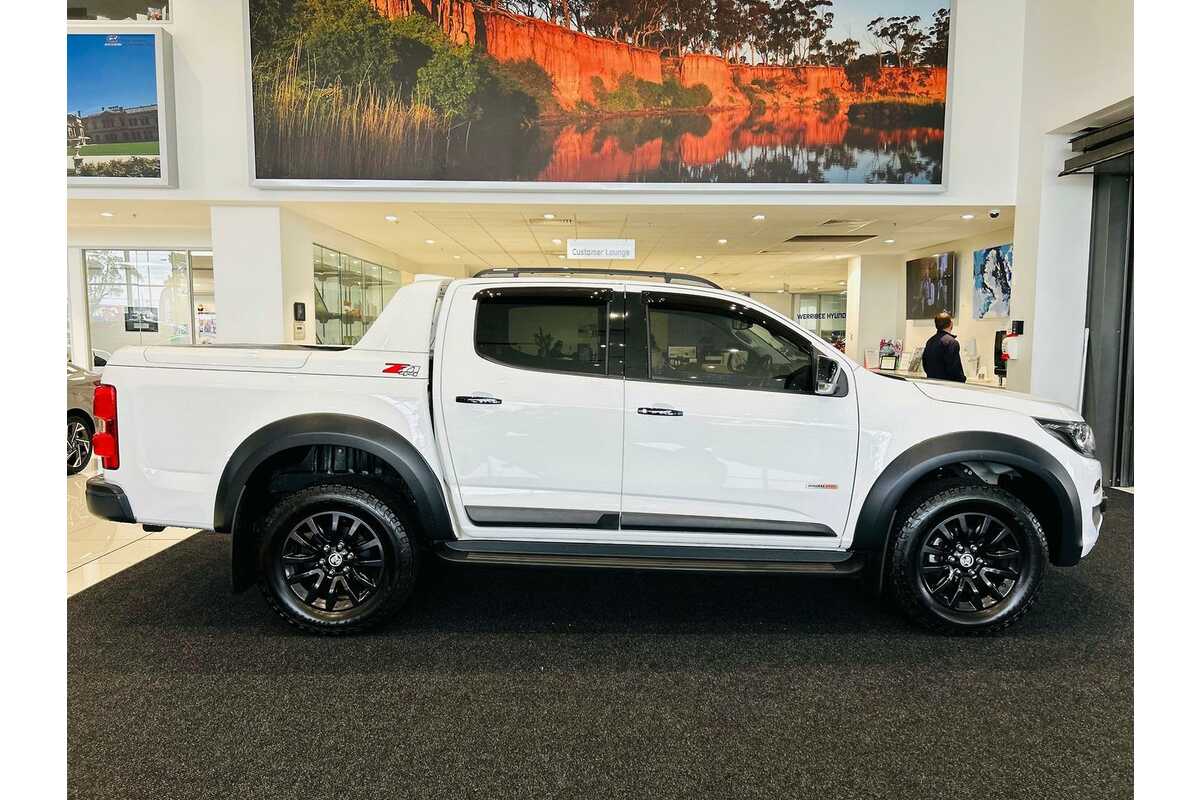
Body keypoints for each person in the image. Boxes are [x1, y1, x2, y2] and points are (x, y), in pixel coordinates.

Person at [921, 312, 967, 382]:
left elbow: (925, 364)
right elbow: (955, 369)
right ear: (951, 324)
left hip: (931, 384)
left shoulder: (930, 341)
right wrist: (962, 380)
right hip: (947, 386)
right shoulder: (952, 343)